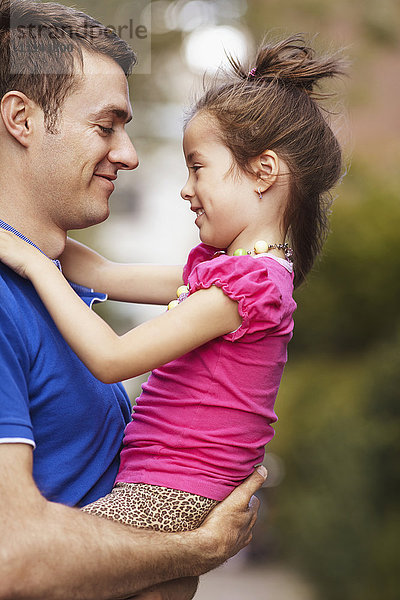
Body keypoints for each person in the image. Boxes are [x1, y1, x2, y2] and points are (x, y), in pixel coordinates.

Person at [0, 33, 345, 538]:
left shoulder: (245, 290)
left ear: (263, 172)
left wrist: (32, 263)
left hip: (171, 493)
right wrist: (27, 234)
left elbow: (113, 359)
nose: (185, 189)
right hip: (162, 485)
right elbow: (101, 274)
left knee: (56, 551)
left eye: (197, 168)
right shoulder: (229, 273)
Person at [0, 1, 266, 599]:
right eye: (106, 125)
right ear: (21, 118)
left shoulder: (57, 283)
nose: (129, 152)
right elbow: (9, 555)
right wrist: (197, 547)